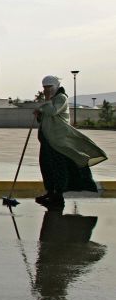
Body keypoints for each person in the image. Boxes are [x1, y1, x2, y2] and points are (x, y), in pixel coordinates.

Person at [34, 75, 107, 208]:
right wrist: (39, 115)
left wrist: (45, 104)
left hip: (58, 142)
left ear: (55, 86)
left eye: (49, 87)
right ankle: (50, 192)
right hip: (47, 142)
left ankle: (58, 196)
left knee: (58, 168)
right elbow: (45, 118)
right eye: (44, 88)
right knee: (46, 167)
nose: (46, 90)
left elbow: (53, 111)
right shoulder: (51, 100)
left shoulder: (61, 98)